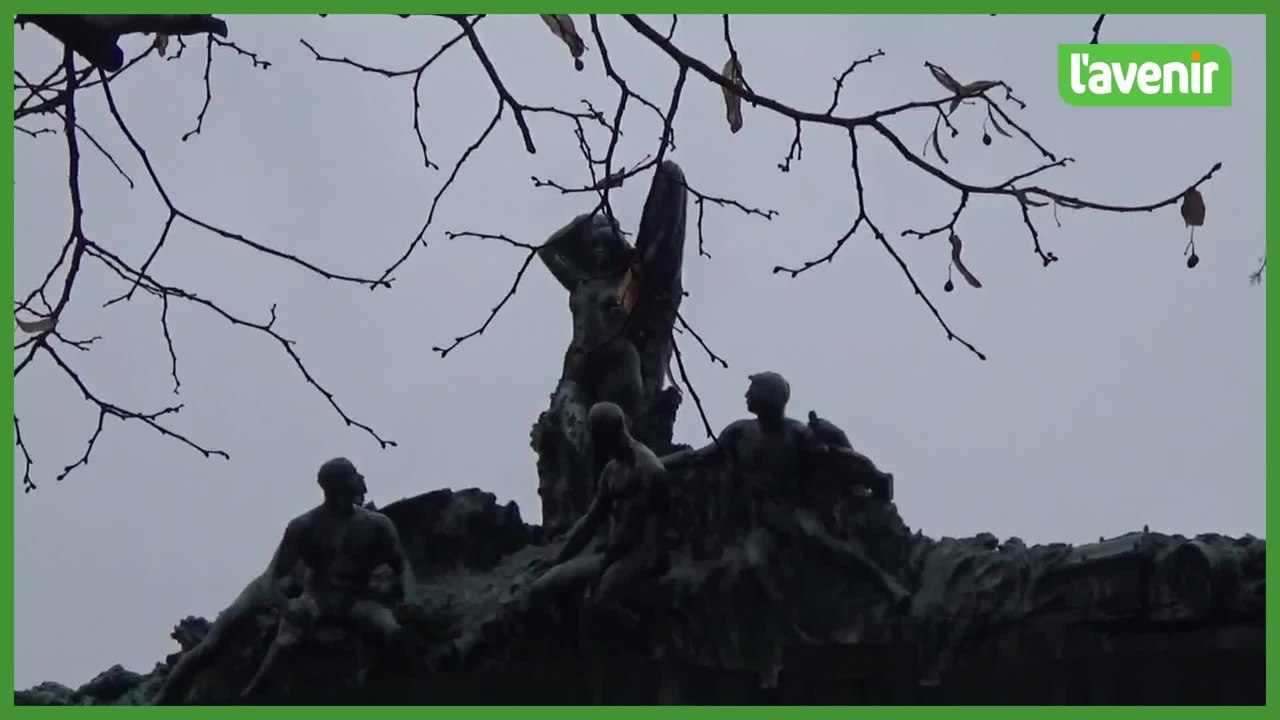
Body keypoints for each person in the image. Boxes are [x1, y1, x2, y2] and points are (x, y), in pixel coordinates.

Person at [661, 372, 912, 632]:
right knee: (756, 560)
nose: (747, 395)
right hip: (761, 518)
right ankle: (792, 630)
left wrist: (837, 437)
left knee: (820, 541)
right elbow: (700, 457)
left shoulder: (797, 435)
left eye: (753, 389)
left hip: (793, 510)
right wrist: (658, 463)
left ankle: (887, 584)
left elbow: (839, 461)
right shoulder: (739, 433)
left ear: (770, 397)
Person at [240, 458, 414, 697]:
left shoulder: (377, 524)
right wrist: (287, 608)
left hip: (357, 601)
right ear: (339, 484)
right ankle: (252, 695)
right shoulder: (303, 526)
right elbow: (271, 578)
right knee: (284, 646)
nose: (360, 478)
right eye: (354, 474)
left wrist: (412, 596)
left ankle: (396, 692)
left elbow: (401, 564)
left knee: (393, 631)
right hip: (315, 602)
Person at [526, 402, 670, 631]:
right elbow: (591, 520)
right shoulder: (612, 471)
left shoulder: (649, 469)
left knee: (601, 605)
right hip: (612, 553)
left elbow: (653, 534)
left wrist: (614, 564)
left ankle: (650, 642)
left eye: (597, 435)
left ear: (609, 434)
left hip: (638, 553)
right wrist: (558, 558)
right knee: (542, 588)